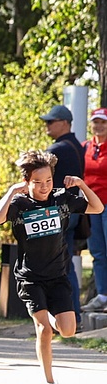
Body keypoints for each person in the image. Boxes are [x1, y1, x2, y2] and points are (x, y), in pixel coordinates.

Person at [0, 150, 102, 384]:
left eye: (48, 181)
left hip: (58, 276)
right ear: (27, 182)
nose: (44, 187)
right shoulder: (19, 205)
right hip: (30, 278)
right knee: (43, 329)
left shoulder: (61, 199)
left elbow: (97, 207)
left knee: (69, 331)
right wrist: (11, 192)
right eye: (37, 182)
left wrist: (82, 184)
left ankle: (50, 323)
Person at [40, 105, 87, 326]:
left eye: (51, 121)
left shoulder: (58, 150)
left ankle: (69, 317)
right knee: (64, 266)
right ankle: (70, 316)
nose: (47, 125)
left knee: (60, 267)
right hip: (71, 212)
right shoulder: (78, 146)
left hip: (58, 215)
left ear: (65, 123)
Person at [82, 108, 107, 312]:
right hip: (91, 206)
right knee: (97, 252)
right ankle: (102, 294)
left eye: (103, 122)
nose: (99, 126)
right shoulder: (85, 147)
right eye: (95, 122)